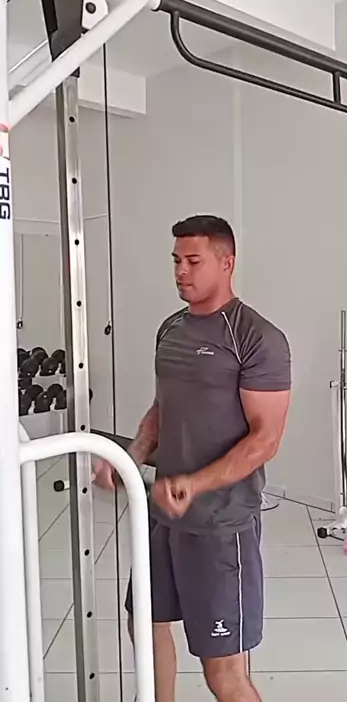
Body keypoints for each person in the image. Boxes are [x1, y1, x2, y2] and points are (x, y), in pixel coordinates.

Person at [94, 215, 291, 702]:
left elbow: (265, 439)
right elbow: (163, 408)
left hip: (221, 525)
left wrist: (195, 484)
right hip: (163, 518)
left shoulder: (256, 338)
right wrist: (131, 458)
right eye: (176, 260)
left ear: (227, 263)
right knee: (145, 624)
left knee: (223, 671)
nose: (181, 271)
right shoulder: (171, 329)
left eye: (193, 261)